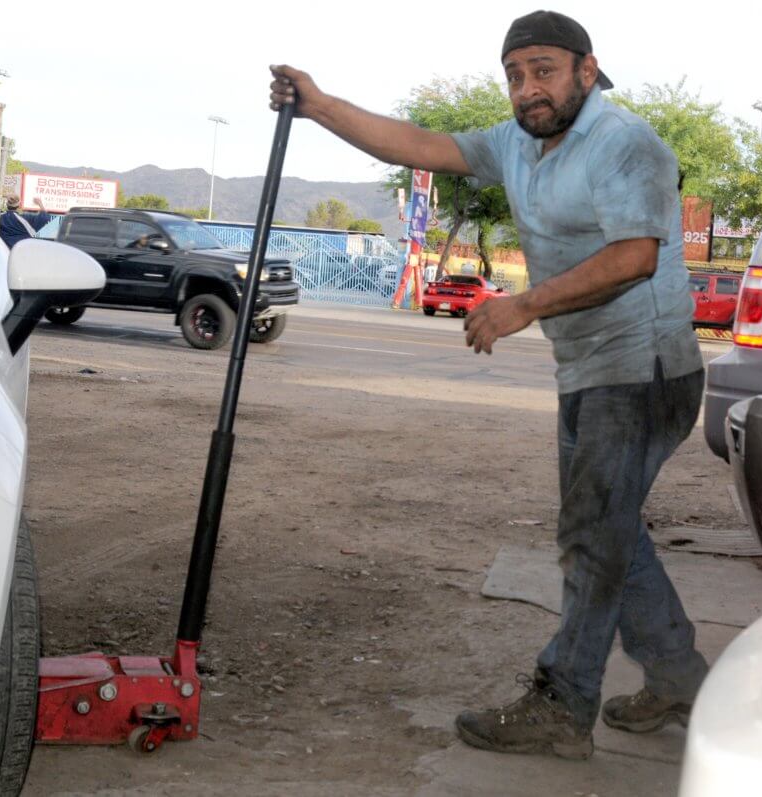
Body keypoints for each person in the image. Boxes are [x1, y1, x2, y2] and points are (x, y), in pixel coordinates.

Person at [270, 9, 707, 761]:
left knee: (591, 535)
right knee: (609, 529)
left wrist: (519, 307)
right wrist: (320, 106)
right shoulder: (517, 145)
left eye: (542, 70)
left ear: (586, 70)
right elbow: (420, 144)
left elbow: (636, 255)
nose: (526, 88)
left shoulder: (626, 143)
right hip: (591, 368)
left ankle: (564, 703)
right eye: (513, 74)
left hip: (645, 369)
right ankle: (679, 676)